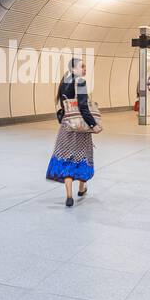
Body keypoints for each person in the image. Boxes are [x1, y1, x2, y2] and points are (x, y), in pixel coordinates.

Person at [47, 57, 100, 207]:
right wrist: (93, 124)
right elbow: (83, 107)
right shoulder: (80, 82)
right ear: (73, 69)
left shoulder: (64, 81)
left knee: (67, 157)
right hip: (80, 127)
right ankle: (82, 188)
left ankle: (69, 196)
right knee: (83, 155)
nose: (84, 69)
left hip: (66, 126)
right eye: (82, 66)